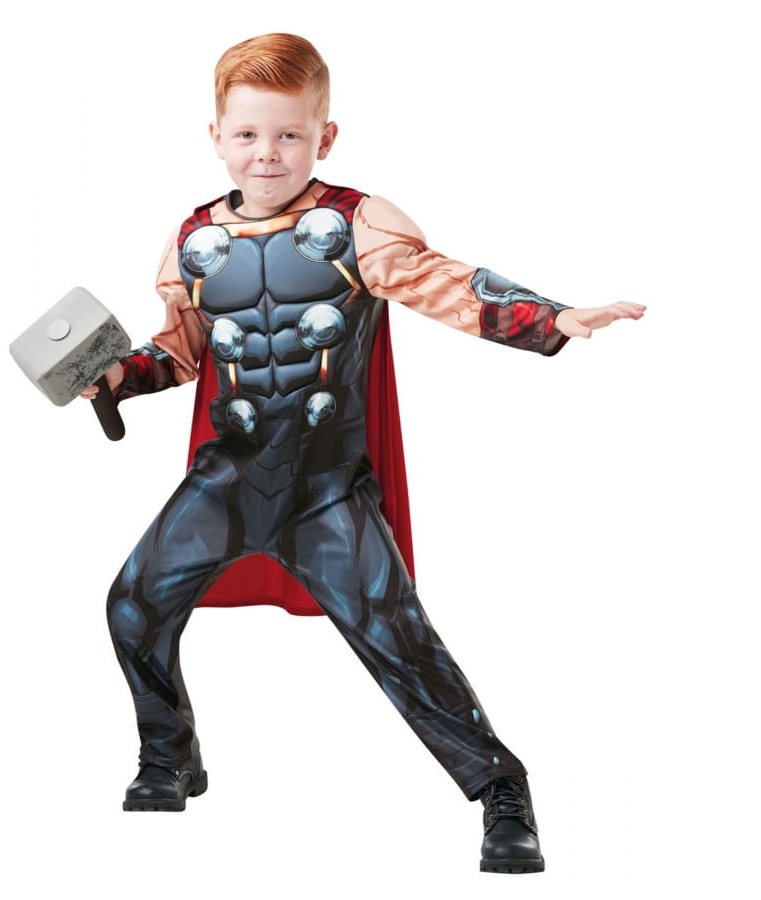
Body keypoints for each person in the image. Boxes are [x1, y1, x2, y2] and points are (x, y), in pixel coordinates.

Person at [82, 33, 645, 874]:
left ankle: (501, 789)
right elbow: (183, 350)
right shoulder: (193, 239)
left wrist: (549, 316)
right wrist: (118, 376)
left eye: (289, 135)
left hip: (326, 489)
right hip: (227, 477)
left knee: (400, 640)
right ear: (217, 136)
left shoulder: (357, 224)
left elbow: (446, 283)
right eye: (248, 134)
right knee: (133, 606)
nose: (267, 153)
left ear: (325, 137)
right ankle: (170, 755)